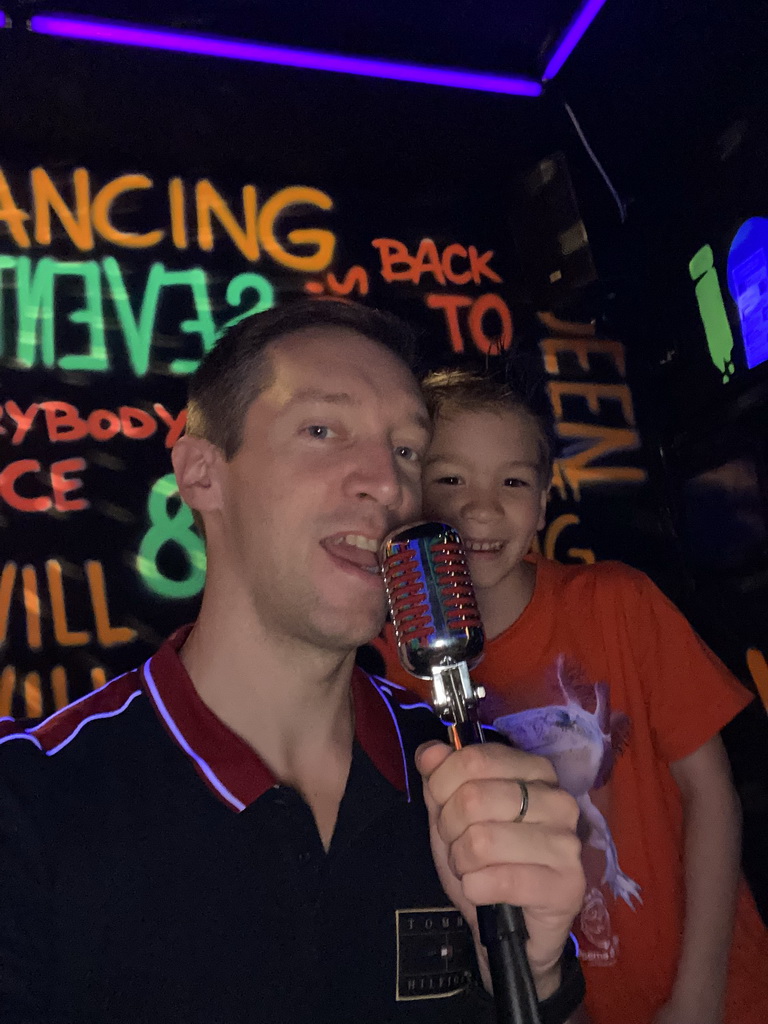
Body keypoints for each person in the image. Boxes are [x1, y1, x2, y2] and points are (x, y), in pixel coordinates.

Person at [0, 301, 587, 1024]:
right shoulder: (30, 802)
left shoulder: (480, 783)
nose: (387, 483)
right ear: (202, 475)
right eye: (321, 430)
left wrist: (531, 974)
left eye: (407, 449)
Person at [373, 366, 768, 1024]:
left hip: (718, 990)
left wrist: (699, 996)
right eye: (450, 479)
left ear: (543, 502)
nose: (481, 507)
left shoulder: (618, 602)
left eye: (513, 481)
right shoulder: (385, 669)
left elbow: (711, 793)